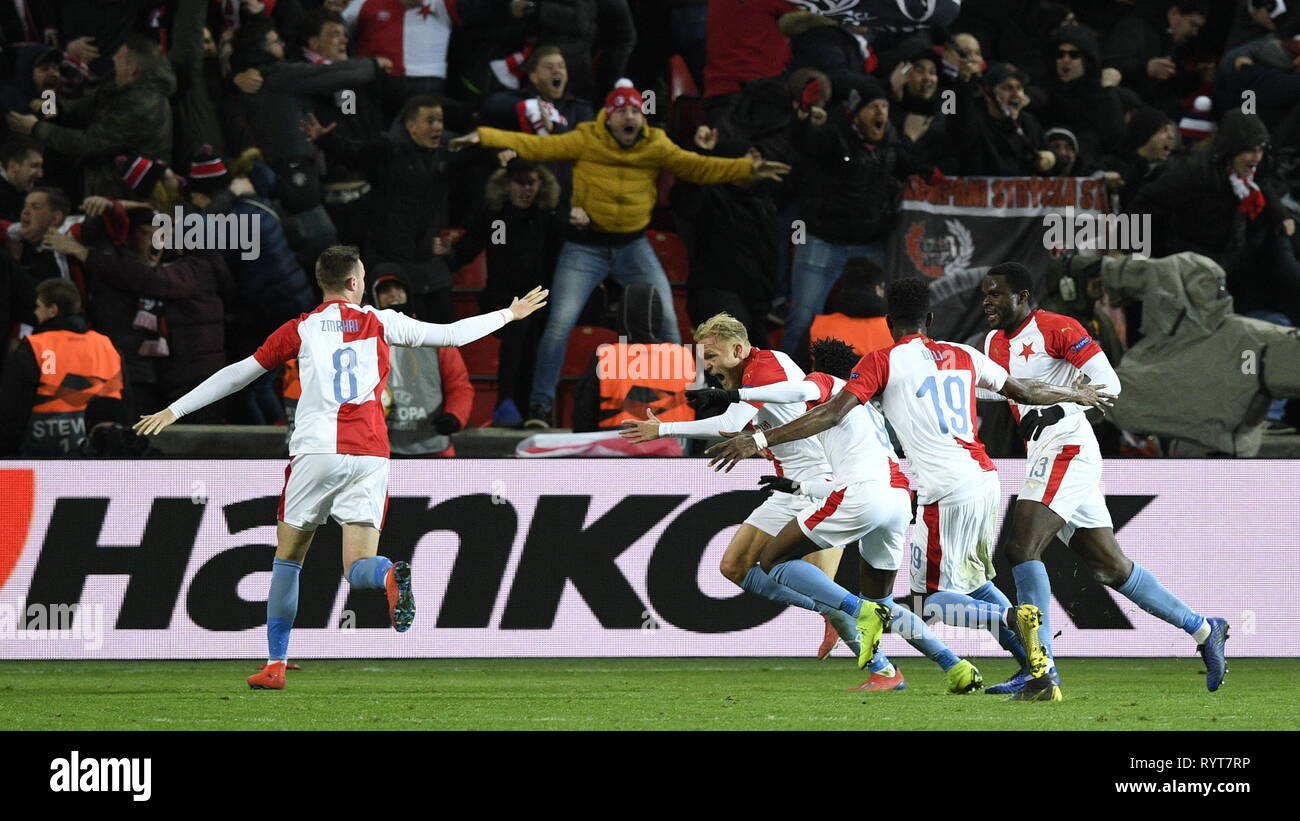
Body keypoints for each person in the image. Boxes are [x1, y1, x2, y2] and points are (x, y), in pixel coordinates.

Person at [133, 245, 547, 690]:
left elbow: (239, 373)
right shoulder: (381, 321)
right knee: (358, 565)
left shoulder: (301, 328)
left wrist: (176, 409)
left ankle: (274, 664)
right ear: (353, 282)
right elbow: (453, 335)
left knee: (288, 559)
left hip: (316, 452)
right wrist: (508, 314)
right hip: (370, 453)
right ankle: (388, 573)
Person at [704, 278, 1116, 700]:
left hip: (943, 488)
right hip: (985, 478)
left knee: (929, 603)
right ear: (931, 320)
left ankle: (1015, 617)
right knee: (974, 585)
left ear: (888, 322)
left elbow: (830, 412)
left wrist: (758, 439)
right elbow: (1025, 390)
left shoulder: (882, 361)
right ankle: (1039, 673)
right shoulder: (964, 353)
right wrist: (1075, 392)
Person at [449, 79, 790, 427]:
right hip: (586, 248)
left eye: (635, 110)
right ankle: (540, 407)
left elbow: (698, 166)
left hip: (632, 245)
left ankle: (686, 401)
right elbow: (537, 146)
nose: (630, 115)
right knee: (558, 325)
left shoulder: (656, 144)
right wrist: (485, 136)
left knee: (669, 323)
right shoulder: (586, 137)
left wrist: (747, 168)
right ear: (608, 117)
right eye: (622, 110)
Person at [979, 261, 1231, 699]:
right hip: (1045, 453)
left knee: (1021, 547)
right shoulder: (991, 343)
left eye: (996, 293)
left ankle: (1042, 673)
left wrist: (1061, 409)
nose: (987, 301)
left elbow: (1108, 384)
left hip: (1068, 447)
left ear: (1022, 296)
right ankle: (1205, 629)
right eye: (984, 294)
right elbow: (988, 389)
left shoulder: (1058, 327)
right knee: (1110, 567)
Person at [690, 337, 994, 693]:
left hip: (860, 494)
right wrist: (797, 487)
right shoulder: (871, 403)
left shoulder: (826, 385)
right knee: (878, 601)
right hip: (898, 497)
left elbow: (792, 392)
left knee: (776, 561)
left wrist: (737, 399)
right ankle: (954, 665)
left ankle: (856, 615)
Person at [618, 312, 865, 659]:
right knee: (734, 566)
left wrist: (664, 430)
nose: (709, 367)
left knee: (822, 587)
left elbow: (729, 424)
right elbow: (748, 425)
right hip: (786, 484)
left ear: (737, 348)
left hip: (819, 484)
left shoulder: (765, 367)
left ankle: (882, 666)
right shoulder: (746, 379)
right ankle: (834, 613)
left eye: (712, 356)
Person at [6, 35, 177, 199]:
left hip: (118, 193)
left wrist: (37, 126)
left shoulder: (141, 102)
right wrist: (52, 103)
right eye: (44, 68)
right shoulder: (10, 101)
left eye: (56, 68)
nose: (113, 58)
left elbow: (88, 142)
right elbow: (64, 111)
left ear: (132, 69)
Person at [0, 278, 124, 456]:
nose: (35, 312)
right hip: (101, 457)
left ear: (52, 310)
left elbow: (13, 410)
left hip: (41, 456)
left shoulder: (35, 347)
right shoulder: (105, 345)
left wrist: (7, 454)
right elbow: (125, 402)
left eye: (38, 306)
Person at [372, 269, 473, 457]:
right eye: (385, 291)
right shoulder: (366, 342)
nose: (394, 294)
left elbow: (459, 386)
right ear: (374, 298)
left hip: (434, 448)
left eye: (398, 288)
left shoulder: (435, 336)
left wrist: (454, 416)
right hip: (383, 452)